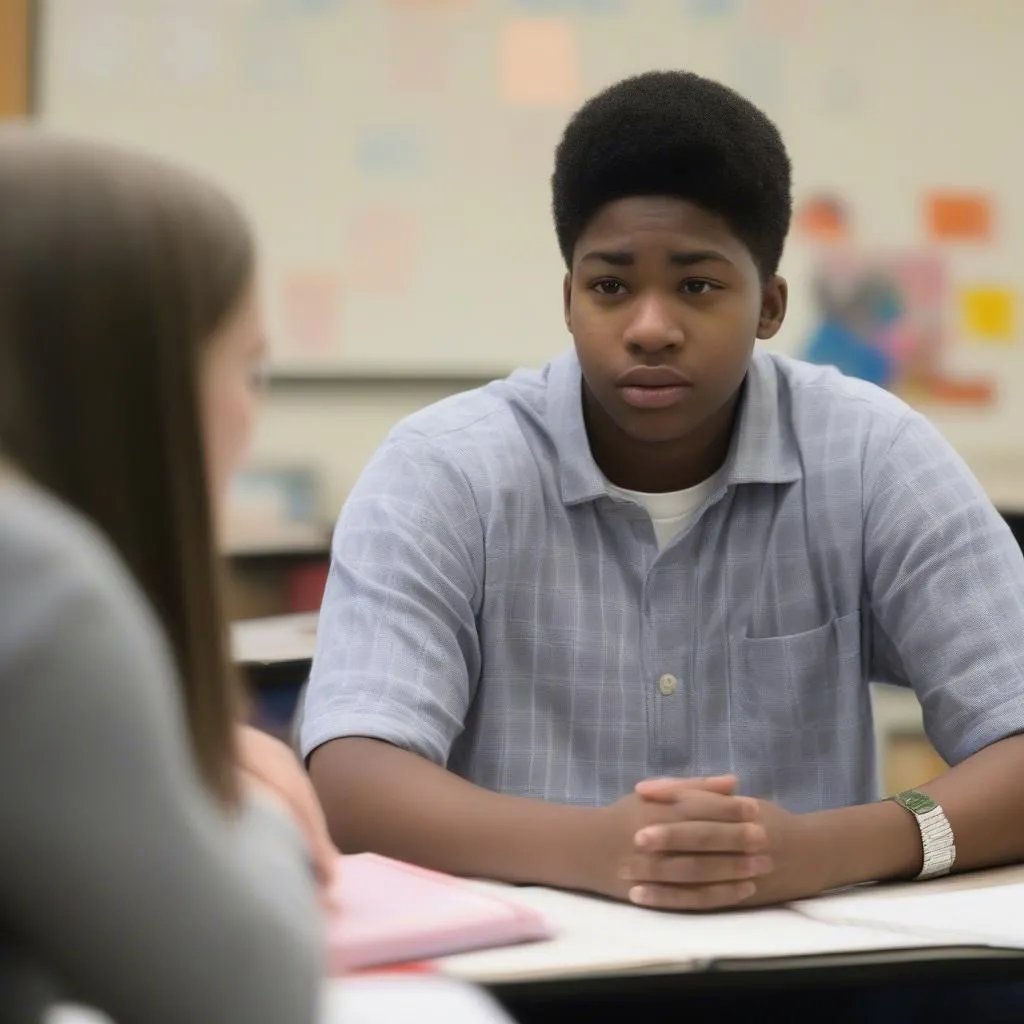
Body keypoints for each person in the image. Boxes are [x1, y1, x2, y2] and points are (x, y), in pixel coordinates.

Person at [303, 69, 1024, 917]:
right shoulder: (444, 470)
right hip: (526, 973)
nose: (650, 326)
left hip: (810, 975)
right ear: (569, 298)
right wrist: (599, 852)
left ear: (770, 305)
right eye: (611, 285)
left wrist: (823, 848)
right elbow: (353, 778)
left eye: (697, 285)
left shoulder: (872, 454)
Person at [0, 129, 326, 1023]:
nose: (250, 415)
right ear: (139, 378)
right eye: (248, 368)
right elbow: (249, 997)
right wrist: (233, 801)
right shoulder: (39, 590)